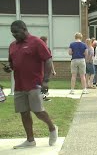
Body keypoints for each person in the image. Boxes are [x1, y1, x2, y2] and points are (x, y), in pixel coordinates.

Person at [5, 20, 58, 148]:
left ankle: (52, 128)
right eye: (12, 33)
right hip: (19, 85)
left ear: (24, 29)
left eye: (16, 32)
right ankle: (30, 140)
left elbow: (48, 60)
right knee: (23, 112)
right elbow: (12, 63)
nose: (14, 35)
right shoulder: (12, 45)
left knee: (38, 111)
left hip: (35, 83)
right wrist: (8, 68)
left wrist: (46, 80)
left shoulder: (36, 42)